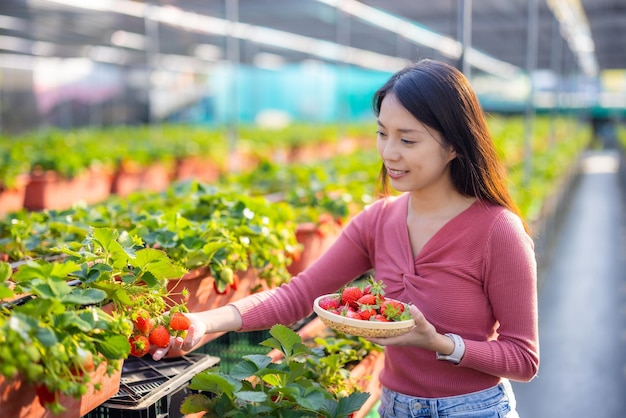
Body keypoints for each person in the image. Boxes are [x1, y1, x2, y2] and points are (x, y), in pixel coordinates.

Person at [155, 58, 539, 417]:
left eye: (408, 140)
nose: (389, 153)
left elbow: (523, 359)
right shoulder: (378, 220)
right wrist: (206, 321)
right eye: (382, 134)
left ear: (454, 144)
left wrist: (440, 344)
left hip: (474, 409)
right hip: (394, 406)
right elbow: (298, 295)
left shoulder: (497, 231)